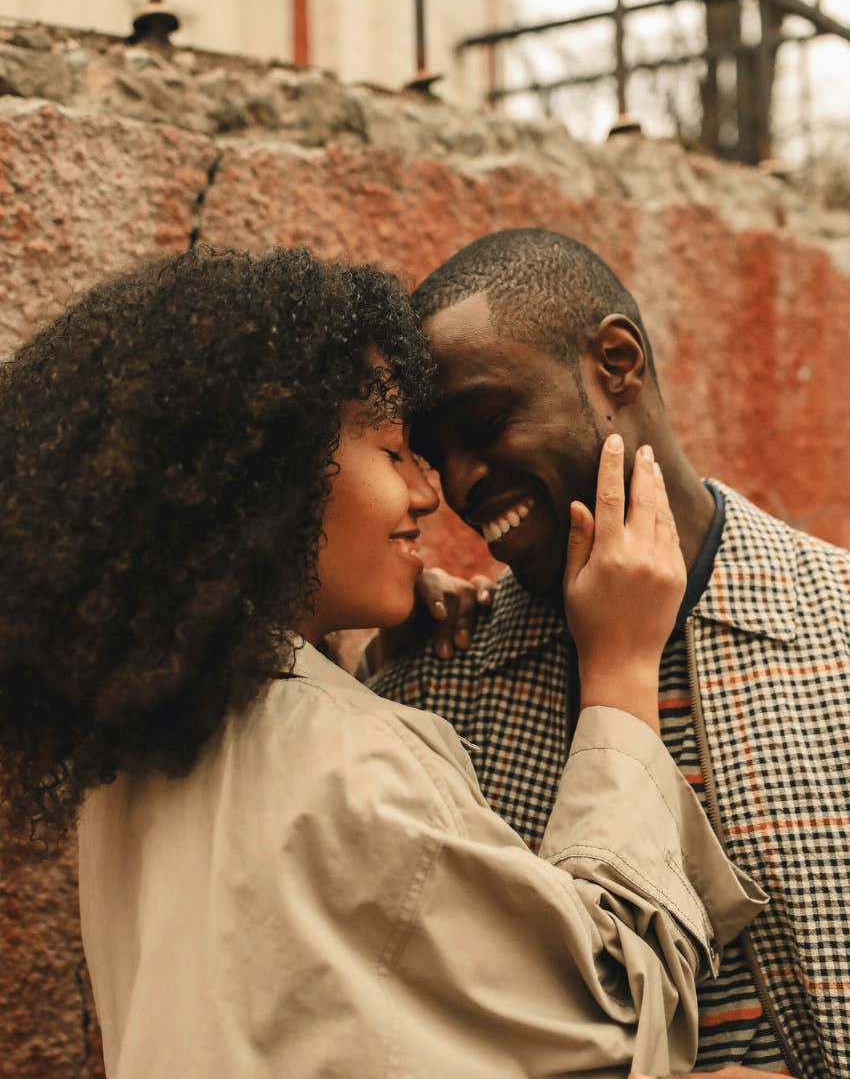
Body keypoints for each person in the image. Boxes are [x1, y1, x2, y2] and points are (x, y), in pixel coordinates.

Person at [0, 246, 762, 1078]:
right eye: (398, 452)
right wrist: (618, 671)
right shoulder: (351, 766)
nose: (435, 495)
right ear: (275, 478)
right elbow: (617, 1011)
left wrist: (347, 666)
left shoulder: (143, 754)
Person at [370, 228, 850, 1079]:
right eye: (436, 453)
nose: (459, 483)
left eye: (483, 424)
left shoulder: (838, 626)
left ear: (616, 361)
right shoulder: (432, 687)